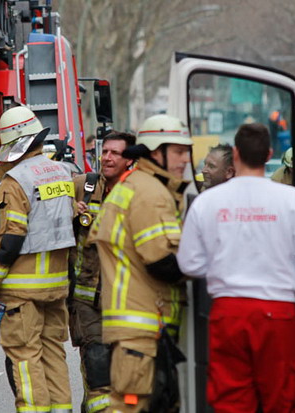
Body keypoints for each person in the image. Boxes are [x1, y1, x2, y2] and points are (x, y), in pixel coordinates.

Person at [177, 123, 295, 413]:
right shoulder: (293, 201)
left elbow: (188, 262)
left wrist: (222, 266)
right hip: (279, 316)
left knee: (232, 400)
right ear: (269, 154)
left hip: (228, 313)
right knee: (282, 398)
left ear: (235, 154)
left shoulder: (207, 202)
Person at [89, 114, 193, 412]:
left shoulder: (139, 185)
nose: (185, 158)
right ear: (155, 151)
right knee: (131, 406)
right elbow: (161, 262)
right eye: (178, 151)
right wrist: (207, 267)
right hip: (141, 330)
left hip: (142, 329)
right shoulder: (150, 193)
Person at [0, 106, 76, 413]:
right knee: (52, 354)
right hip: (57, 285)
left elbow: (10, 240)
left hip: (23, 289)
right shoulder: (63, 172)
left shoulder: (15, 182)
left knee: (24, 357)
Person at [69, 131, 136, 413]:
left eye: (115, 153)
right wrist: (71, 209)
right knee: (96, 369)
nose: (107, 158)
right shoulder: (82, 185)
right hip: (88, 303)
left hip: (127, 301)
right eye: (105, 152)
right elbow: (44, 206)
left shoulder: (138, 192)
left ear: (129, 159)